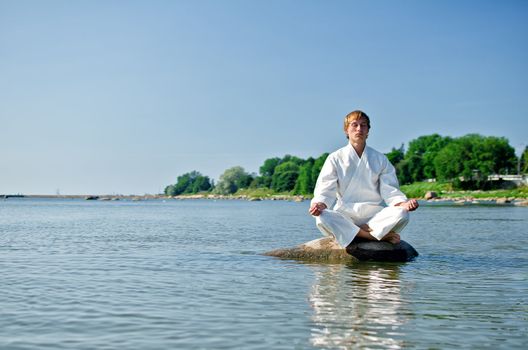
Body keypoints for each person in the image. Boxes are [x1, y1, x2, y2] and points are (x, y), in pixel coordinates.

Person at [309, 110, 418, 248]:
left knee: (402, 213)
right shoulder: (335, 158)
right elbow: (325, 190)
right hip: (346, 216)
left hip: (374, 218)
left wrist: (403, 204)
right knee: (322, 217)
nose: (359, 129)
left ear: (368, 130)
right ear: (346, 130)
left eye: (363, 125)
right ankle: (374, 236)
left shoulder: (380, 159)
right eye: (354, 125)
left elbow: (390, 191)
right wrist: (319, 205)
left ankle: (355, 234)